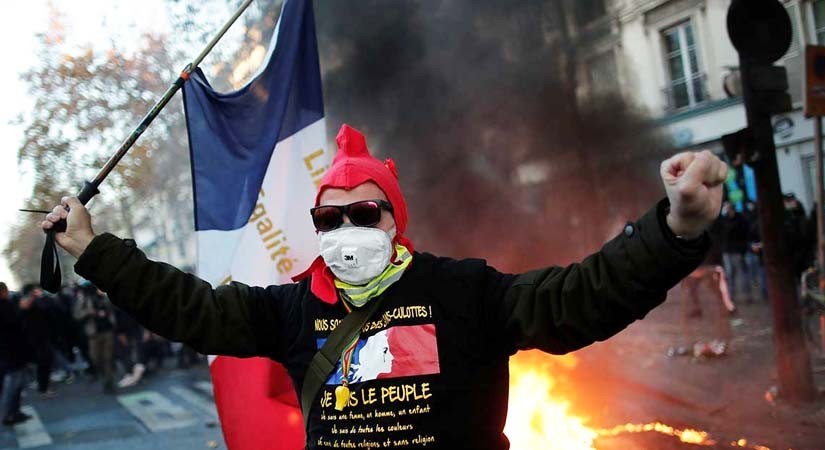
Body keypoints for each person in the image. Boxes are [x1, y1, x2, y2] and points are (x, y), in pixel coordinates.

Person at [41, 125, 725, 449]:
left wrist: (675, 229)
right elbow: (188, 308)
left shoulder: (463, 291)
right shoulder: (289, 309)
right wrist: (95, 250)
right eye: (328, 218)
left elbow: (579, 299)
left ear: (395, 220)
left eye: (364, 213)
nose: (345, 230)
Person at [73, 282, 116, 393]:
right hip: (93, 334)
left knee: (108, 358)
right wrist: (89, 312)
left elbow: (112, 309)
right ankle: (103, 375)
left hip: (107, 331)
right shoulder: (84, 300)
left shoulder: (104, 298)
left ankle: (109, 382)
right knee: (96, 358)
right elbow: (77, 315)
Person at [0, 282, 31, 426]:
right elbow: (14, 324)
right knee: (13, 385)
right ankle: (8, 414)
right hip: (11, 351)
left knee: (19, 384)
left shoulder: (7, 304)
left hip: (15, 351)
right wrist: (22, 310)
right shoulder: (5, 307)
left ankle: (15, 411)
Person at [18, 284, 56, 399]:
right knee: (42, 364)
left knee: (46, 362)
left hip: (42, 337)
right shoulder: (25, 303)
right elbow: (24, 307)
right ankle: (42, 388)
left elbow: (48, 310)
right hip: (34, 340)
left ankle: (44, 387)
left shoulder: (39, 302)